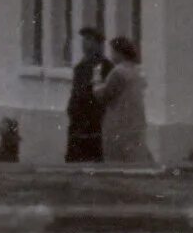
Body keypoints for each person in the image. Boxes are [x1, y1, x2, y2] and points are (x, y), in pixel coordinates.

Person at [97, 36, 151, 165]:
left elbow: (104, 95)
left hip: (118, 122)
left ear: (119, 52)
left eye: (112, 52)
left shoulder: (118, 72)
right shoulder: (138, 71)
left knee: (115, 160)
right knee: (134, 158)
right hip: (136, 121)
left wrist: (96, 82)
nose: (111, 56)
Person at [65, 27, 108, 163]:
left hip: (94, 122)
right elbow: (76, 92)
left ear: (99, 44)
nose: (85, 44)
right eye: (84, 40)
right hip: (78, 122)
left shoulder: (106, 67)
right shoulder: (80, 67)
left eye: (89, 40)